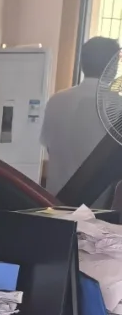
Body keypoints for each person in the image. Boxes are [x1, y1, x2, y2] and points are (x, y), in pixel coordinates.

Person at [41, 34, 121, 196]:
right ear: (112, 67)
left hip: (55, 199)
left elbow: (49, 147)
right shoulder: (117, 105)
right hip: (98, 204)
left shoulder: (56, 100)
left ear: (82, 63)